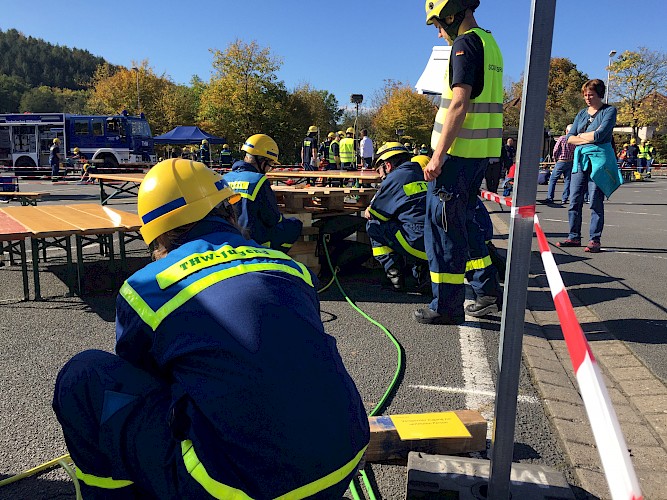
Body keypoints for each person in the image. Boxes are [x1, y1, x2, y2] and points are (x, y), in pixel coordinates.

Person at [52, 158, 369, 499]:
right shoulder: (291, 268)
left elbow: (140, 382)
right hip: (344, 462)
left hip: (238, 487)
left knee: (83, 376)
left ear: (158, 236)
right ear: (229, 212)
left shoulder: (146, 287)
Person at [415, 0, 504, 325]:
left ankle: (446, 307)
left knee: (442, 233)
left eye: (439, 25)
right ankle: (486, 290)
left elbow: (459, 104)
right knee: (464, 225)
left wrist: (438, 156)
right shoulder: (489, 42)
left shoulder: (464, 45)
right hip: (478, 155)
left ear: (452, 16)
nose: (439, 34)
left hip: (454, 159)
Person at [557, 79, 620, 253]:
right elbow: (569, 137)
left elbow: (600, 135)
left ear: (600, 94)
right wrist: (586, 137)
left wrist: (581, 137)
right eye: (585, 94)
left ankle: (594, 239)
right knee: (574, 199)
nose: (587, 98)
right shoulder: (582, 113)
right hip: (580, 160)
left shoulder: (609, 111)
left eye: (590, 94)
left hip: (598, 162)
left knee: (595, 201)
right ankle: (574, 236)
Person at [364, 143, 428, 292]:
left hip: (416, 241)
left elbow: (374, 213)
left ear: (388, 165)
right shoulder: (422, 172)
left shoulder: (395, 178)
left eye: (379, 170)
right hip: (437, 241)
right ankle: (423, 272)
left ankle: (394, 275)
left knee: (374, 225)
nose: (380, 176)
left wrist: (371, 209)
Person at [223, 134, 303, 252]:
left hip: (231, 239)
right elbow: (272, 219)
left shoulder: (224, 178)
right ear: (262, 160)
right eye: (270, 165)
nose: (268, 170)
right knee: (295, 225)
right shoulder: (259, 181)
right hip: (256, 242)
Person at [545, 124, 575, 203]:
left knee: (553, 179)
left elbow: (555, 149)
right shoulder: (574, 140)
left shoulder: (562, 138)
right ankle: (564, 198)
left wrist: (555, 158)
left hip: (561, 161)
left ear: (566, 131)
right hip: (570, 161)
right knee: (568, 180)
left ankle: (550, 197)